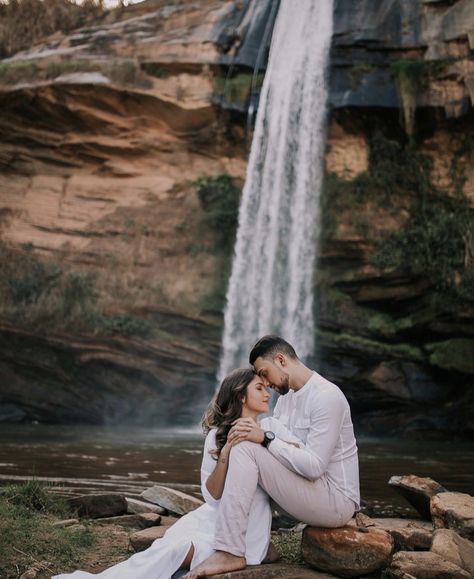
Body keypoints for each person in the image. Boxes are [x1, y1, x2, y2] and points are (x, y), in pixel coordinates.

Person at [53, 368, 289, 579]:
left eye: (266, 388)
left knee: (178, 551)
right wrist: (227, 450)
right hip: (209, 519)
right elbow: (212, 495)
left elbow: (297, 455)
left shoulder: (271, 429)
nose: (268, 394)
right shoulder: (216, 435)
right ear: (241, 395)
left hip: (248, 528)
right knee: (165, 550)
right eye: (259, 388)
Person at [185, 335, 360, 578]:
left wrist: (266, 439)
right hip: (305, 490)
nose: (265, 383)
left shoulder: (327, 396)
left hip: (335, 500)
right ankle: (256, 547)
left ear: (281, 360)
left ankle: (230, 550)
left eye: (264, 373)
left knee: (248, 448)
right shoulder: (286, 402)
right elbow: (283, 454)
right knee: (247, 446)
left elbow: (314, 467)